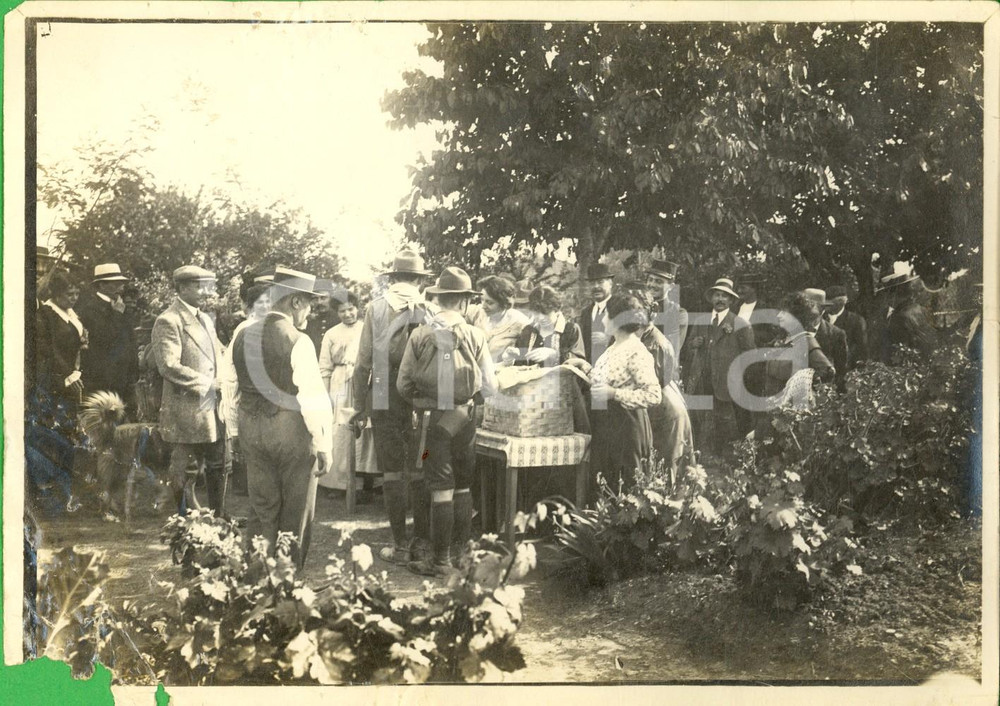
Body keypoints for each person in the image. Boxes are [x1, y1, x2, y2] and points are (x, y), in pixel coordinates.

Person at [397, 267, 497, 577]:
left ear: (439, 300)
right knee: (463, 485)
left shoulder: (420, 334)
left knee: (438, 484)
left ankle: (439, 561)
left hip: (431, 425)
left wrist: (421, 401)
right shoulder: (476, 335)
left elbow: (403, 385)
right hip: (464, 420)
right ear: (465, 302)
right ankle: (461, 556)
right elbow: (490, 387)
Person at [232, 267, 333, 567]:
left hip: (251, 429)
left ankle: (255, 579)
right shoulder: (298, 340)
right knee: (295, 510)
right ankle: (287, 582)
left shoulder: (241, 334)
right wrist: (323, 443)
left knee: (261, 507)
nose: (310, 313)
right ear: (295, 303)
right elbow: (312, 397)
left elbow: (229, 386)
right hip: (289, 433)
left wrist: (235, 431)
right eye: (310, 304)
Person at [351, 249, 433, 565]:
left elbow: (363, 362)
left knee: (392, 471)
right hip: (421, 402)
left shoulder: (376, 309)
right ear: (419, 280)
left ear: (394, 278)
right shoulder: (429, 310)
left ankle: (399, 544)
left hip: (383, 399)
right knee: (422, 465)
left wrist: (359, 405)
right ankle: (422, 544)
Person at [151, 265, 228, 517]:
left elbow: (219, 353)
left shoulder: (205, 318)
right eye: (199, 286)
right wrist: (207, 384)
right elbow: (169, 366)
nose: (206, 292)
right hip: (185, 408)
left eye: (208, 286)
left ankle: (219, 516)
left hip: (211, 406)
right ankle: (183, 520)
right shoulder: (168, 320)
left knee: (218, 464)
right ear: (182, 288)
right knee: (186, 468)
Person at [589, 294, 662, 495]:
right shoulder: (612, 347)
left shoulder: (636, 351)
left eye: (606, 316)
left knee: (626, 491)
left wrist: (614, 394)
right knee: (606, 489)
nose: (602, 320)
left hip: (627, 428)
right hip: (607, 426)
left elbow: (653, 395)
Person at [622, 286, 694, 478]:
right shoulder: (639, 336)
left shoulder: (656, 343)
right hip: (657, 405)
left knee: (669, 466)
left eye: (637, 311)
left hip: (665, 410)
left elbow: (652, 382)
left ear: (649, 313)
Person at [683, 277, 756, 456]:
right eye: (717, 295)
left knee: (726, 428)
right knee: (699, 425)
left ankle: (725, 464)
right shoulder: (700, 321)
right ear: (711, 298)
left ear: (731, 300)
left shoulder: (740, 324)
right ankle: (700, 459)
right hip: (701, 383)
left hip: (725, 387)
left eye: (725, 296)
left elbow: (750, 357)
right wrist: (694, 344)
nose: (720, 299)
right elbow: (686, 350)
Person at [753, 292, 837, 439]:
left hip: (790, 419)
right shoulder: (782, 341)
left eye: (784, 313)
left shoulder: (805, 340)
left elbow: (827, 370)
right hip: (771, 415)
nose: (779, 316)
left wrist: (799, 388)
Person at [318, 291, 378, 491]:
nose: (347, 314)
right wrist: (326, 395)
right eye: (342, 311)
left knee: (364, 429)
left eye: (350, 309)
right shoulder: (332, 333)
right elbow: (324, 367)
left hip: (363, 381)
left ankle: (366, 480)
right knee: (341, 429)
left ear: (357, 308)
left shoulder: (367, 329)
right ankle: (339, 483)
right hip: (340, 383)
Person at [219, 274, 272, 496]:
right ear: (250, 306)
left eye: (269, 301)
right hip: (247, 394)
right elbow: (231, 371)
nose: (266, 306)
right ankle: (246, 486)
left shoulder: (272, 326)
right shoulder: (244, 329)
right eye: (261, 302)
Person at [75, 263, 139, 410]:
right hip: (102, 379)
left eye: (121, 283)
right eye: (116, 283)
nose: (121, 287)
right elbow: (103, 339)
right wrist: (117, 314)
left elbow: (129, 340)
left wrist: (133, 373)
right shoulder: (89, 309)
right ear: (102, 285)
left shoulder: (120, 305)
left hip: (123, 378)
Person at [35, 272, 87, 411]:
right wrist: (69, 374)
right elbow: (48, 348)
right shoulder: (46, 314)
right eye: (70, 294)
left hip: (72, 375)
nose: (74, 298)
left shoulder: (70, 313)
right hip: (56, 375)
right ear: (57, 294)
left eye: (77, 294)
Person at [507, 285, 587, 367]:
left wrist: (553, 354)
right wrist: (512, 358)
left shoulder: (570, 330)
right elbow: (520, 365)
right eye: (537, 313)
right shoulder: (528, 331)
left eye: (546, 313)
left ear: (556, 309)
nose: (541, 318)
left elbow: (579, 363)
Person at [880, 274, 938, 362]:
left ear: (893, 295)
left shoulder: (897, 318)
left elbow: (899, 353)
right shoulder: (921, 309)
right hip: (930, 360)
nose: (886, 298)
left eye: (887, 293)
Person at [803, 289, 849, 392]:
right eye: (805, 308)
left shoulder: (836, 334)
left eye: (813, 307)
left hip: (823, 395)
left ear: (823, 310)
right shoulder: (793, 330)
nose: (808, 313)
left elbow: (841, 370)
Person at [477, 275, 531, 360]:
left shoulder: (520, 322)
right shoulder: (478, 312)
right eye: (481, 300)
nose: (483, 306)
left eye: (489, 302)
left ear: (504, 303)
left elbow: (527, 353)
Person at [645, 259, 689, 359]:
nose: (652, 284)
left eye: (658, 281)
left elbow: (670, 348)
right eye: (650, 279)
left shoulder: (678, 313)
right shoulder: (638, 309)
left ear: (671, 286)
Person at [823, 285, 868, 370]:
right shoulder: (820, 318)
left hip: (845, 370)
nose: (825, 307)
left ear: (841, 303)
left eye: (829, 304)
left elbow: (861, 349)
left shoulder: (856, 320)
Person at [579, 263, 615, 364]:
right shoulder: (586, 313)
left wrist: (609, 340)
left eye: (600, 282)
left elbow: (631, 341)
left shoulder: (620, 308)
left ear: (610, 283)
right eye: (592, 283)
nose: (596, 287)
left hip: (613, 370)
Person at [305, 279, 340, 354]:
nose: (319, 302)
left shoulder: (339, 319)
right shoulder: (308, 320)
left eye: (323, 298)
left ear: (331, 298)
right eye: (315, 298)